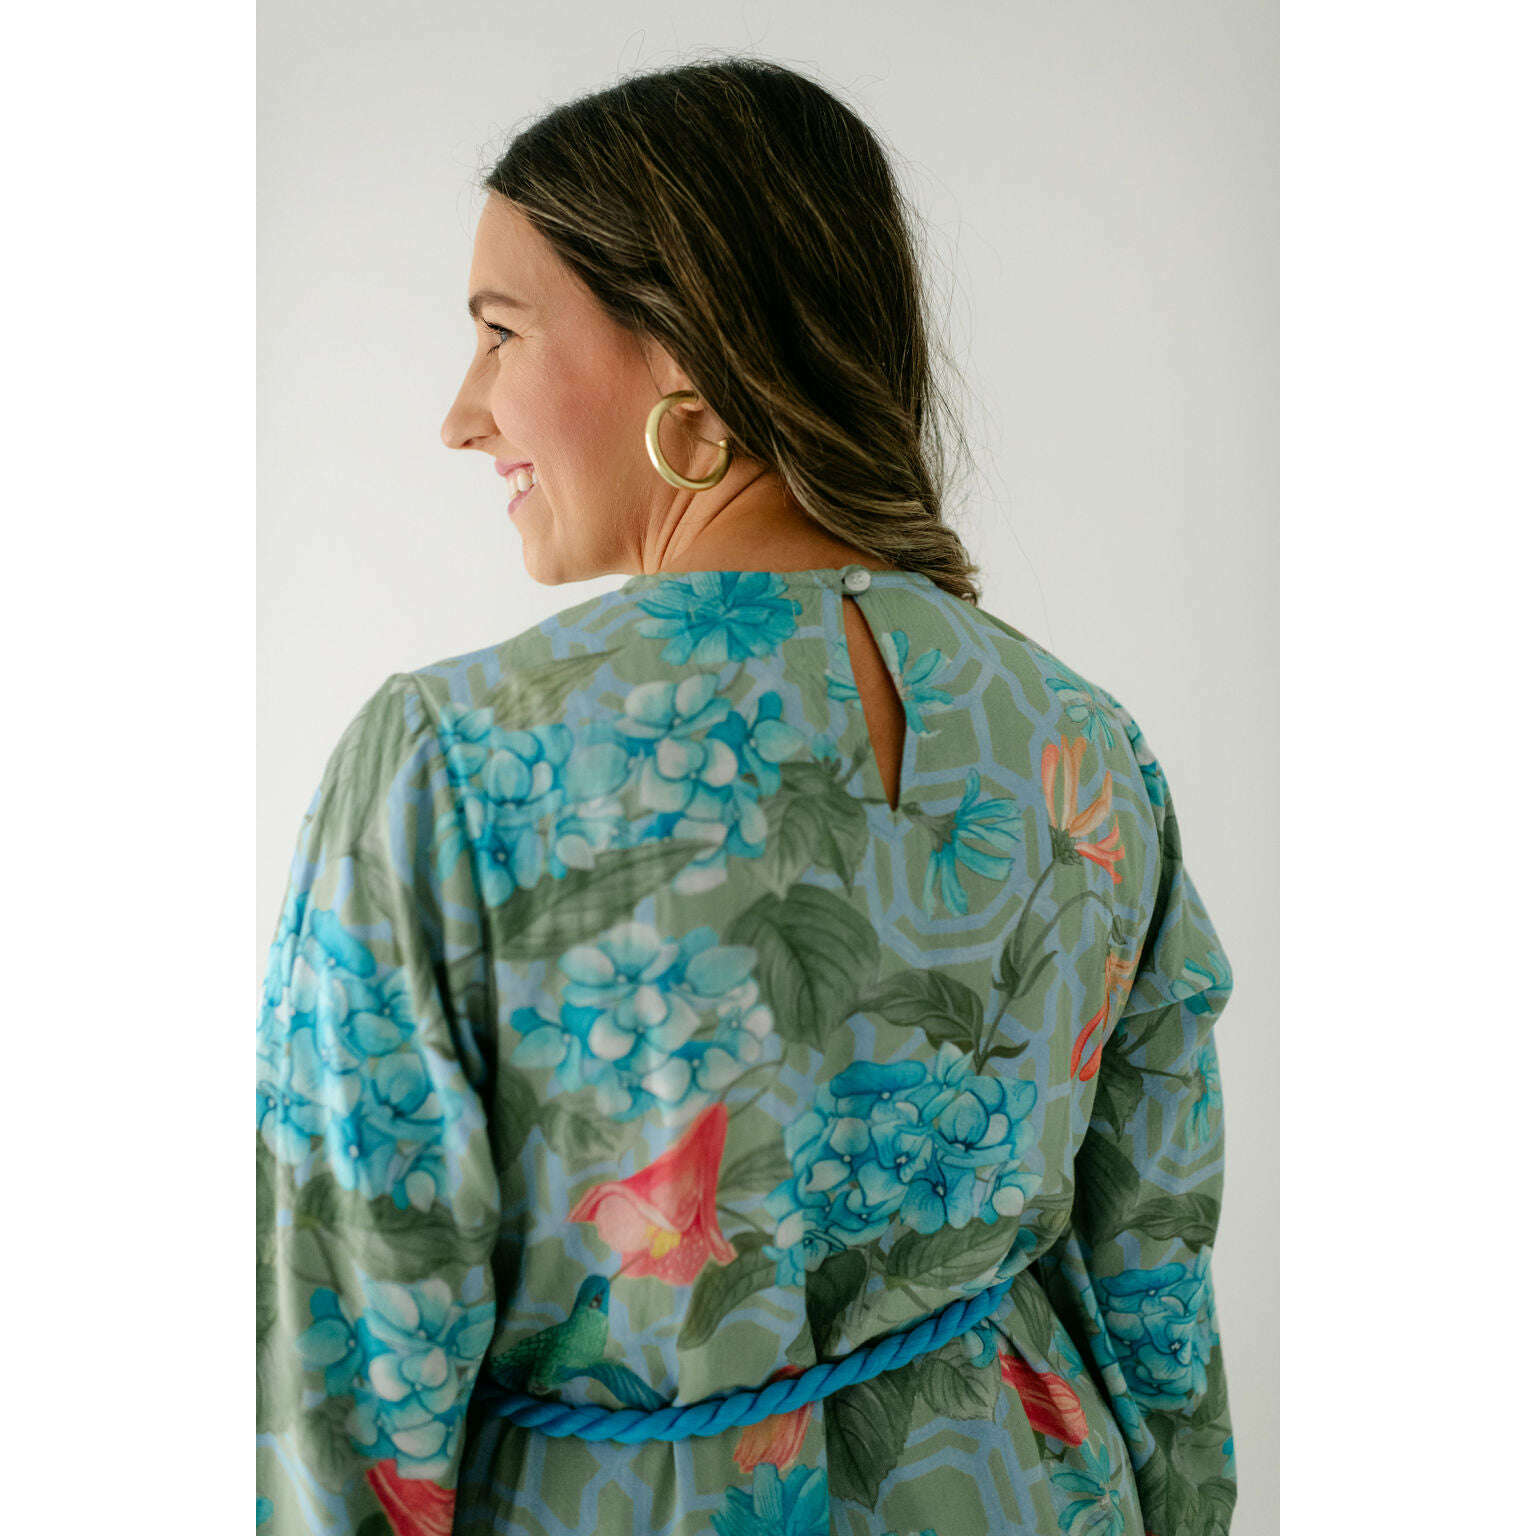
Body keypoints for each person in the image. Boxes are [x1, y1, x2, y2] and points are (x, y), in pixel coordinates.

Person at [256, 57, 1237, 1536]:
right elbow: (1154, 1294)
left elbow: (344, 1358)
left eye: (501, 333)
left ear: (684, 347)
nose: (462, 415)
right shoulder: (1084, 747)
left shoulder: (447, 762)